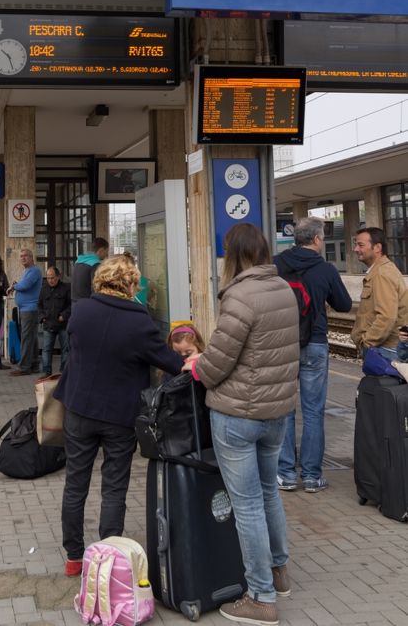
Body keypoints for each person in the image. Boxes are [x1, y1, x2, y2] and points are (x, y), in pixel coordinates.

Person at [186, 223, 298, 626]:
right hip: (277, 413)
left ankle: (261, 597)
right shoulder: (282, 289)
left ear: (232, 255)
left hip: (237, 417)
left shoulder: (239, 296)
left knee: (246, 504)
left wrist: (197, 366)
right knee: (270, 494)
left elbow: (217, 364)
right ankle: (280, 571)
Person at [54, 254, 182, 577]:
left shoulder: (81, 311)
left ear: (100, 280)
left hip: (79, 409)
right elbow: (169, 362)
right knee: (114, 487)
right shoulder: (140, 321)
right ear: (131, 284)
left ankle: (73, 557)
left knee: (75, 484)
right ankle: (107, 558)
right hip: (118, 416)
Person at [274, 216, 353, 494]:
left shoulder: (277, 264)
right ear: (317, 240)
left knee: (283, 410)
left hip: (283, 344)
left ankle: (284, 474)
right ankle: (311, 476)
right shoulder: (325, 269)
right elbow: (343, 305)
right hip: (315, 344)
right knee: (313, 411)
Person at [351, 227, 408, 361]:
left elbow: (386, 316)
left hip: (385, 349)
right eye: (355, 245)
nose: (356, 249)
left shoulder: (382, 274)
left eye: (360, 245)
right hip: (386, 348)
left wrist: (367, 343)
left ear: (377, 247)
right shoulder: (380, 271)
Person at [9, 247, 43, 376]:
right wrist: (17, 285)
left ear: (31, 257)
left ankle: (24, 367)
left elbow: (25, 286)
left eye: (26, 256)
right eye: (21, 256)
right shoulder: (27, 271)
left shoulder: (34, 271)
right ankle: (34, 365)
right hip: (26, 309)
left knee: (26, 338)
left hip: (30, 309)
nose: (23, 258)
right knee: (32, 338)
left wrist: (14, 286)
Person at [38, 266, 71, 376]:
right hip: (48, 324)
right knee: (46, 350)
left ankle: (63, 372)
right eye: (48, 278)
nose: (50, 280)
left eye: (52, 278)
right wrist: (42, 317)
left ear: (58, 277)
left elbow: (71, 305)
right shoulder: (43, 288)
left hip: (63, 324)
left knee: (66, 349)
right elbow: (39, 305)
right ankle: (46, 372)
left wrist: (64, 315)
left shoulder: (66, 288)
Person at [71, 237, 109, 303]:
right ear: (101, 250)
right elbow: (96, 288)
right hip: (87, 304)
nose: (107, 255)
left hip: (75, 303)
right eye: (106, 251)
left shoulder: (78, 261)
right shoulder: (95, 264)